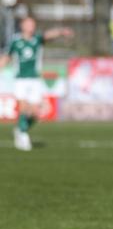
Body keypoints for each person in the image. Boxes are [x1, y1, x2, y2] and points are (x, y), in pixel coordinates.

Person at [0, 17, 73, 151]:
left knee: (35, 113)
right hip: (20, 79)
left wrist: (61, 31)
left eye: (33, 24)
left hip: (35, 79)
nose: (31, 26)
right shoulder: (15, 41)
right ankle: (22, 135)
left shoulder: (37, 39)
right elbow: (6, 58)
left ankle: (20, 129)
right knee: (23, 108)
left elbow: (48, 35)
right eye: (28, 24)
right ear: (22, 26)